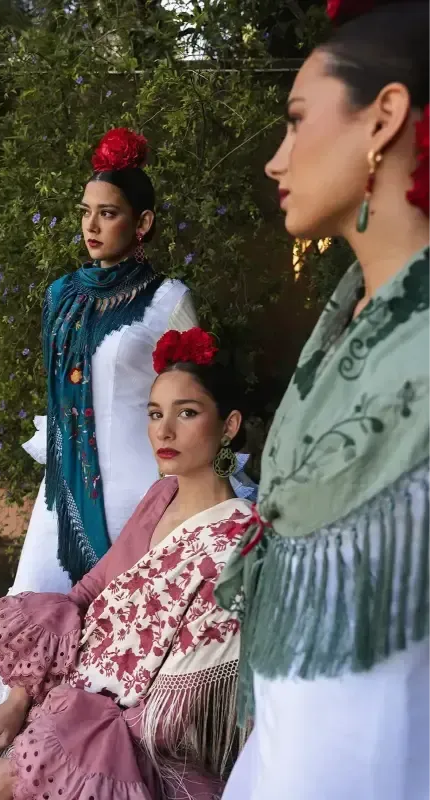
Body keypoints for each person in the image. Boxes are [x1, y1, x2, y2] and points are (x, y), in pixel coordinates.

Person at [0, 328, 254, 800]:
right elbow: (88, 593)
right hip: (60, 714)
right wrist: (17, 703)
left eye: (187, 413)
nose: (163, 431)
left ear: (228, 425)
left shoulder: (239, 542)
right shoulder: (161, 495)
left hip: (116, 757)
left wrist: (19, 774)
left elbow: (166, 716)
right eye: (154, 414)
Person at [218, 2, 430, 799]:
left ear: (383, 119)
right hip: (284, 750)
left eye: (296, 120)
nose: (276, 160)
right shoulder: (343, 323)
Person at [0, 127, 198, 724]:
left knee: (122, 643)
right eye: (86, 213)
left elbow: (190, 396)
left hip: (137, 497)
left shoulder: (167, 299)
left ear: (141, 224)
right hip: (64, 495)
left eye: (109, 214)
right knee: (38, 618)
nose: (92, 226)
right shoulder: (60, 296)